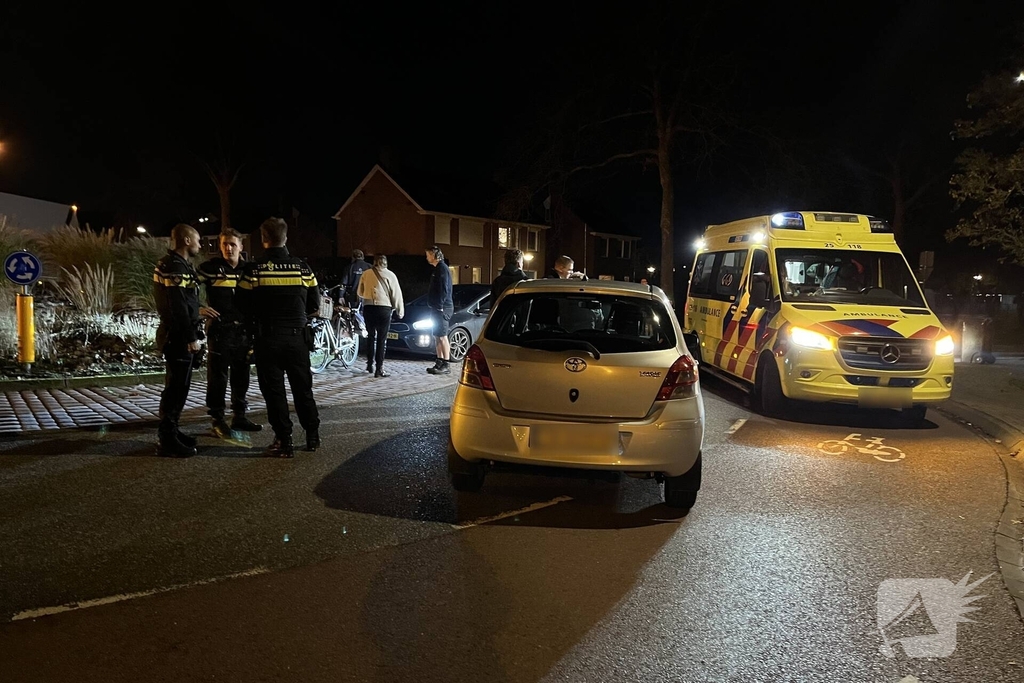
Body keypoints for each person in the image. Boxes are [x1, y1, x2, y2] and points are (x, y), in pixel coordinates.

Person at [237, 217, 321, 458]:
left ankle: (284, 440)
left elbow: (241, 304)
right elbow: (314, 303)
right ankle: (312, 437)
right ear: (286, 238)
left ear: (264, 239)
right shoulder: (303, 268)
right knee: (303, 390)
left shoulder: (253, 270)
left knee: (274, 393)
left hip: (268, 340)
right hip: (297, 340)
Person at [197, 228, 262, 438]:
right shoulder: (210, 268)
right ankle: (217, 419)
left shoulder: (250, 270)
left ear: (241, 246)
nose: (228, 248)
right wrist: (198, 308)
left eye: (233, 244)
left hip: (243, 331)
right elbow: (185, 289)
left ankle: (239, 416)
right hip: (220, 331)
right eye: (224, 244)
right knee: (218, 377)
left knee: (241, 375)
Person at [153, 223, 203, 457]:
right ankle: (167, 438)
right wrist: (190, 337)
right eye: (198, 240)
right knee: (176, 388)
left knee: (178, 386)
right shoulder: (175, 268)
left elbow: (185, 303)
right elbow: (178, 306)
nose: (200, 245)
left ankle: (172, 430)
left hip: (175, 334)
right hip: (178, 336)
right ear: (186, 241)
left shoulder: (174, 264)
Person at [357, 254, 405, 378]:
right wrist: (400, 311)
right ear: (385, 263)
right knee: (382, 339)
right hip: (384, 308)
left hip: (368, 307)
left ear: (375, 262)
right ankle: (379, 368)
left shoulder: (366, 274)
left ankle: (369, 364)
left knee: (370, 336)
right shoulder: (391, 275)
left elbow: (360, 292)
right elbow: (396, 294)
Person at [425, 245, 454, 375]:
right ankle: (439, 361)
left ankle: (446, 363)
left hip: (442, 307)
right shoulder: (437, 269)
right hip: (437, 306)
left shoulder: (442, 269)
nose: (427, 257)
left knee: (442, 336)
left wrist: (441, 305)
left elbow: (444, 288)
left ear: (434, 255)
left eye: (428, 255)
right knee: (437, 335)